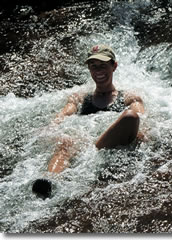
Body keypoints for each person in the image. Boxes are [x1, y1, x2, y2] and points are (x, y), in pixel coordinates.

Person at [32, 44, 144, 198]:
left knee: (130, 117)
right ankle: (50, 181)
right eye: (93, 66)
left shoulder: (128, 97)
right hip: (83, 146)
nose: (98, 71)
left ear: (114, 66)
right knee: (66, 141)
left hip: (104, 146)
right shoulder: (80, 98)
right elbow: (62, 116)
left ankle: (85, 158)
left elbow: (142, 122)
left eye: (103, 65)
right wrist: (51, 128)